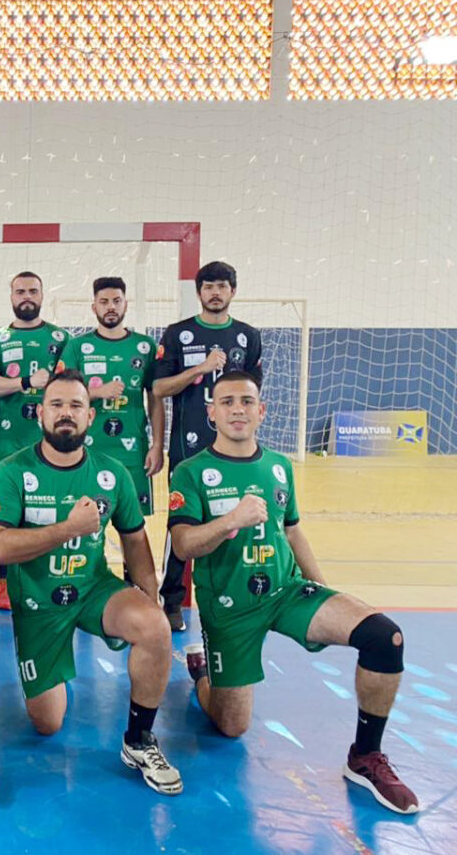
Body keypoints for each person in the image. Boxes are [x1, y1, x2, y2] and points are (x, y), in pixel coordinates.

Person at [170, 371, 417, 814]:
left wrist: (321, 588)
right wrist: (231, 520)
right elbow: (184, 544)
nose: (237, 409)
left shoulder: (280, 465)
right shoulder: (190, 472)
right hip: (229, 608)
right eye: (226, 402)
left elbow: (293, 529)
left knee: (384, 637)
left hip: (286, 591)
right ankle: (204, 672)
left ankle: (364, 756)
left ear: (262, 411)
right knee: (231, 727)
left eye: (246, 401)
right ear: (211, 413)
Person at [0, 370, 183, 796]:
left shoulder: (112, 474)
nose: (65, 414)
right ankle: (51, 669)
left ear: (90, 417)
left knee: (154, 628)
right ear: (40, 413)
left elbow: (135, 542)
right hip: (37, 602)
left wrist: (147, 600)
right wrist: (66, 528)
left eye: (76, 406)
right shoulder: (12, 470)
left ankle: (138, 740)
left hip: (92, 589)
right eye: (56, 405)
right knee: (47, 724)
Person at [153, 261, 262, 631]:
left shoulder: (248, 336)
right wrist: (198, 369)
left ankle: (236, 597)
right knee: (180, 526)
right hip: (188, 453)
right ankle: (170, 601)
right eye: (209, 286)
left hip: (236, 452)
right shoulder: (177, 334)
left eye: (222, 286)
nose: (215, 293)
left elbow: (252, 395)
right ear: (199, 292)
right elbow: (159, 389)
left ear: (233, 291)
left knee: (235, 523)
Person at [0, 270, 69, 608]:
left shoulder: (61, 339)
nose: (26, 296)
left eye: (32, 290)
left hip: (52, 441)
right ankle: (3, 583)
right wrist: (27, 381)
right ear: (11, 296)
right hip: (7, 440)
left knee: (52, 508)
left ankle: (54, 576)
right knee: (5, 512)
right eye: (20, 291)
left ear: (42, 296)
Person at [59, 277, 163, 517]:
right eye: (104, 302)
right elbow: (62, 394)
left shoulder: (145, 346)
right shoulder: (77, 347)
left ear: (126, 304)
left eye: (117, 301)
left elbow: (156, 400)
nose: (111, 307)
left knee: (134, 526)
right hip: (87, 448)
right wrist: (96, 392)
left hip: (133, 450)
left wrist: (157, 445)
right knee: (83, 521)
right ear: (94, 307)